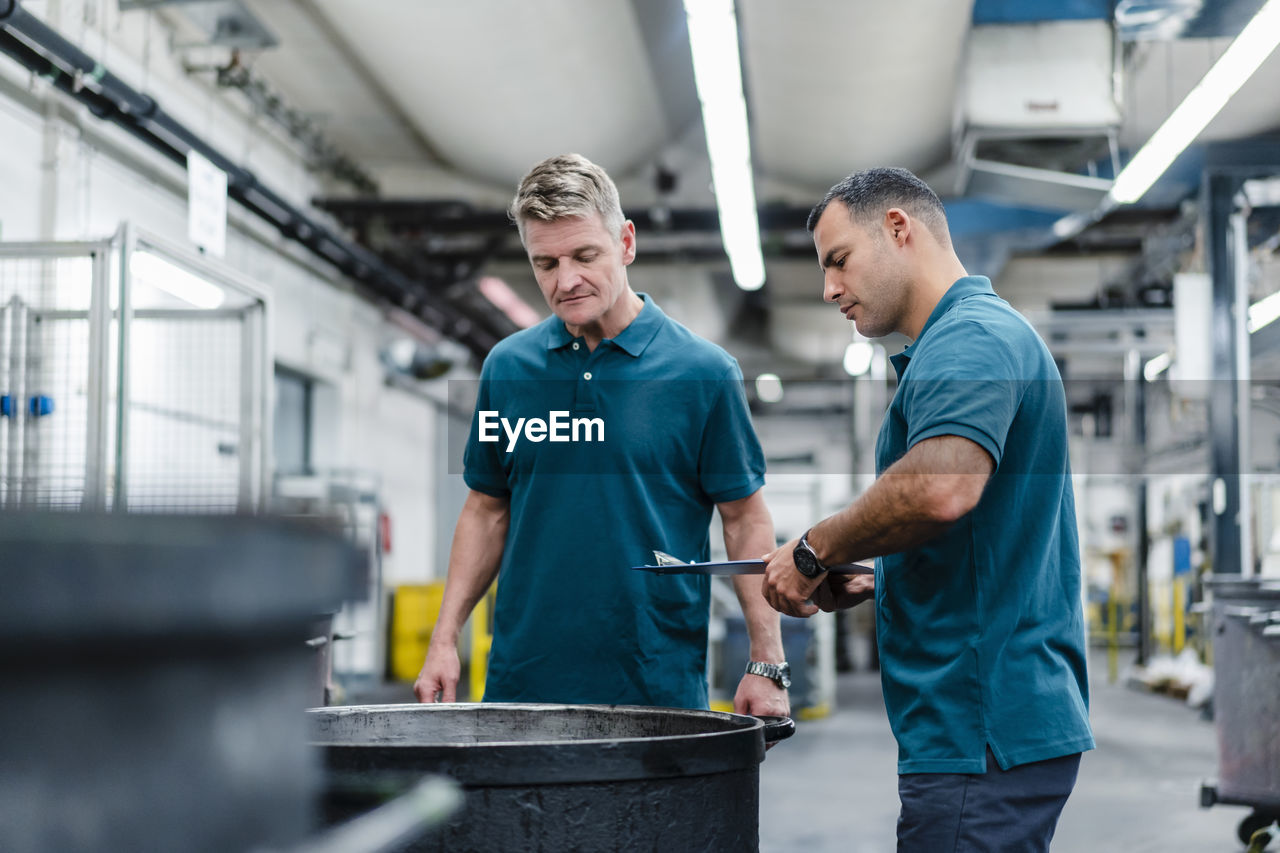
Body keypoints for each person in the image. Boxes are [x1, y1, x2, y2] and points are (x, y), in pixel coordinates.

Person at [761, 167, 1094, 852]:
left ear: (898, 228)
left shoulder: (969, 337)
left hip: (981, 728)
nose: (828, 289)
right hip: (986, 723)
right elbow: (985, 537)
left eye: (839, 260)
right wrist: (886, 578)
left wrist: (814, 549)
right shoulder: (964, 339)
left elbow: (941, 488)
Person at [414, 153, 788, 716]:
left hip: (654, 685)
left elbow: (744, 519)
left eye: (585, 255)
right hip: (525, 684)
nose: (566, 281)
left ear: (626, 243)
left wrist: (766, 661)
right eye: (546, 263)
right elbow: (486, 510)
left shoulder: (702, 373)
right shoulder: (508, 368)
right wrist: (444, 639)